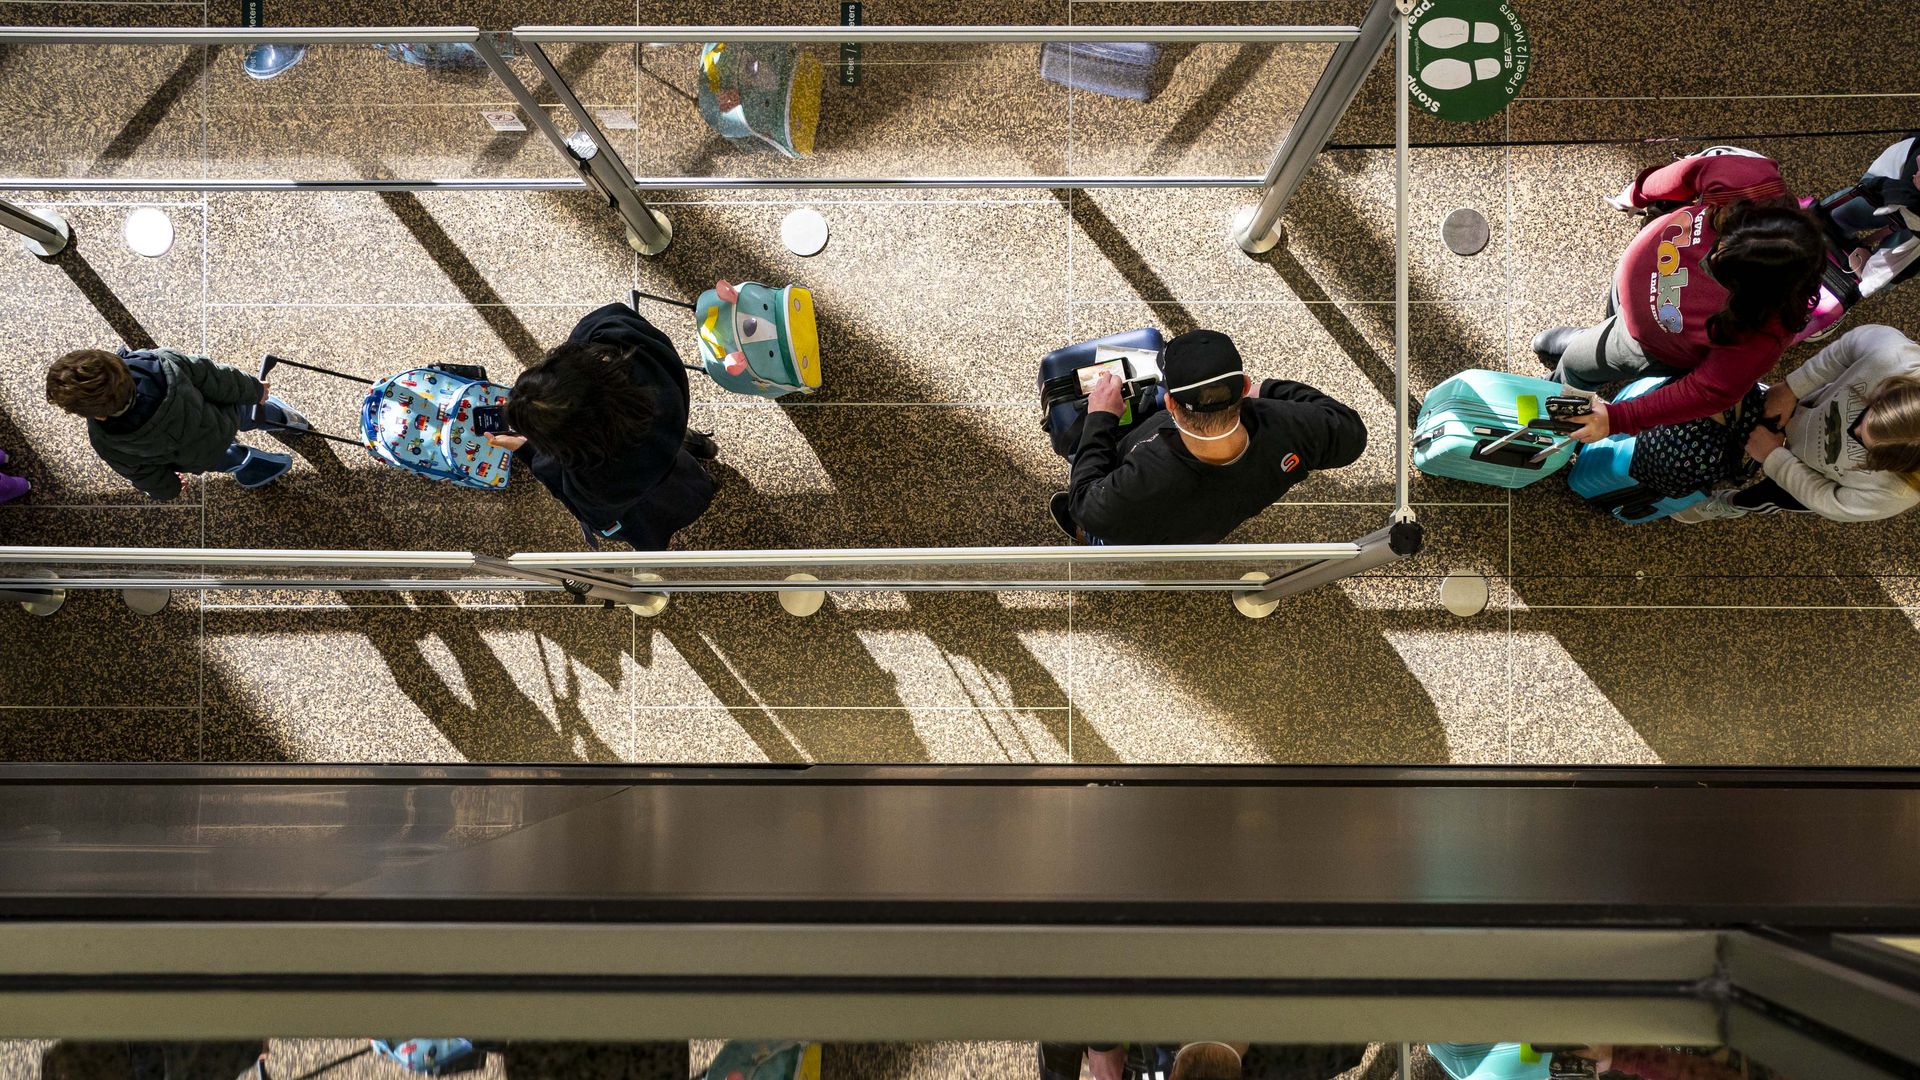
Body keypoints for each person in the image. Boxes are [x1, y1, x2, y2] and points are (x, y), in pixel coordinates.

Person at [1530, 150, 1827, 444]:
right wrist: (1639, 192)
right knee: (1608, 328)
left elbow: (1707, 390)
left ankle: (1558, 385)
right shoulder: (1752, 182)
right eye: (1723, 242)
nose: (1710, 256)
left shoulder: (1764, 329)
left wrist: (1617, 419)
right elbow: (1688, 173)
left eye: (1723, 272)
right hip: (1641, 293)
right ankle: (1595, 336)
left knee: (1578, 364)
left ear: (1754, 290)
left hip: (1647, 343)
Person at [1050, 329, 1365, 545]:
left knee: (1089, 491)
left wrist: (1100, 416)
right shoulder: (1291, 426)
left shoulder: (1143, 475)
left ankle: (1091, 543)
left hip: (1136, 526)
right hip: (1208, 525)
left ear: (1171, 403)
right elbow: (1352, 434)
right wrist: (1269, 391)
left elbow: (1085, 508)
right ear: (1243, 387)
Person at [491, 302, 718, 551]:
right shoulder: (640, 358)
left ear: (564, 442)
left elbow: (593, 514)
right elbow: (610, 317)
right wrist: (572, 367)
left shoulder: (593, 476)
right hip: (669, 424)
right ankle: (699, 445)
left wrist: (527, 450)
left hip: (649, 489)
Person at [1674, 324, 1920, 522]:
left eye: (1863, 444)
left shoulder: (1897, 493)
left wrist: (1774, 458)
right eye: (1868, 410)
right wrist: (1791, 389)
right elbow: (1849, 347)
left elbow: (1829, 502)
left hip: (1809, 476)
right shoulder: (1896, 357)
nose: (1853, 429)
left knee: (1767, 496)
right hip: (1801, 411)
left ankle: (1729, 503)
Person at [44, 347, 307, 501]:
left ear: (98, 415)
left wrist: (167, 489)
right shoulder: (159, 361)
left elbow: (142, 473)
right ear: (118, 362)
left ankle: (257, 464)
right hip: (221, 412)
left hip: (202, 454)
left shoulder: (107, 442)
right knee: (252, 412)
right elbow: (215, 377)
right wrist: (253, 389)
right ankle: (286, 420)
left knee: (229, 457)